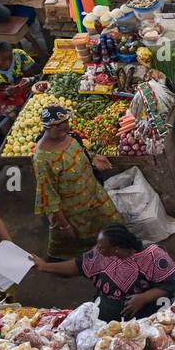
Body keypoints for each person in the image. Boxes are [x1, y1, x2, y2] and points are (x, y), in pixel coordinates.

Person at [31, 224, 175, 321]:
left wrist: (143, 298)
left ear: (116, 248)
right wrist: (45, 266)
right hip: (107, 314)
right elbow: (77, 266)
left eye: (101, 247)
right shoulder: (100, 255)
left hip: (146, 315)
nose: (97, 249)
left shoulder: (152, 256)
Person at [34, 103, 119, 258]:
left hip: (95, 195)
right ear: (46, 128)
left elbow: (82, 153)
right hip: (73, 210)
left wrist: (94, 157)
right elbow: (48, 196)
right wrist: (64, 225)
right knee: (78, 242)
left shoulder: (71, 137)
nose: (63, 127)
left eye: (65, 122)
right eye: (56, 125)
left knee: (112, 225)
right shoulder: (42, 159)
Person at [0, 41, 36, 134]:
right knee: (5, 126)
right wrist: (7, 92)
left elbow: (31, 77)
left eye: (10, 58)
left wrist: (27, 81)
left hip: (24, 89)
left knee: (34, 110)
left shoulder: (19, 55)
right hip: (3, 98)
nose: (8, 63)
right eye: (3, 59)